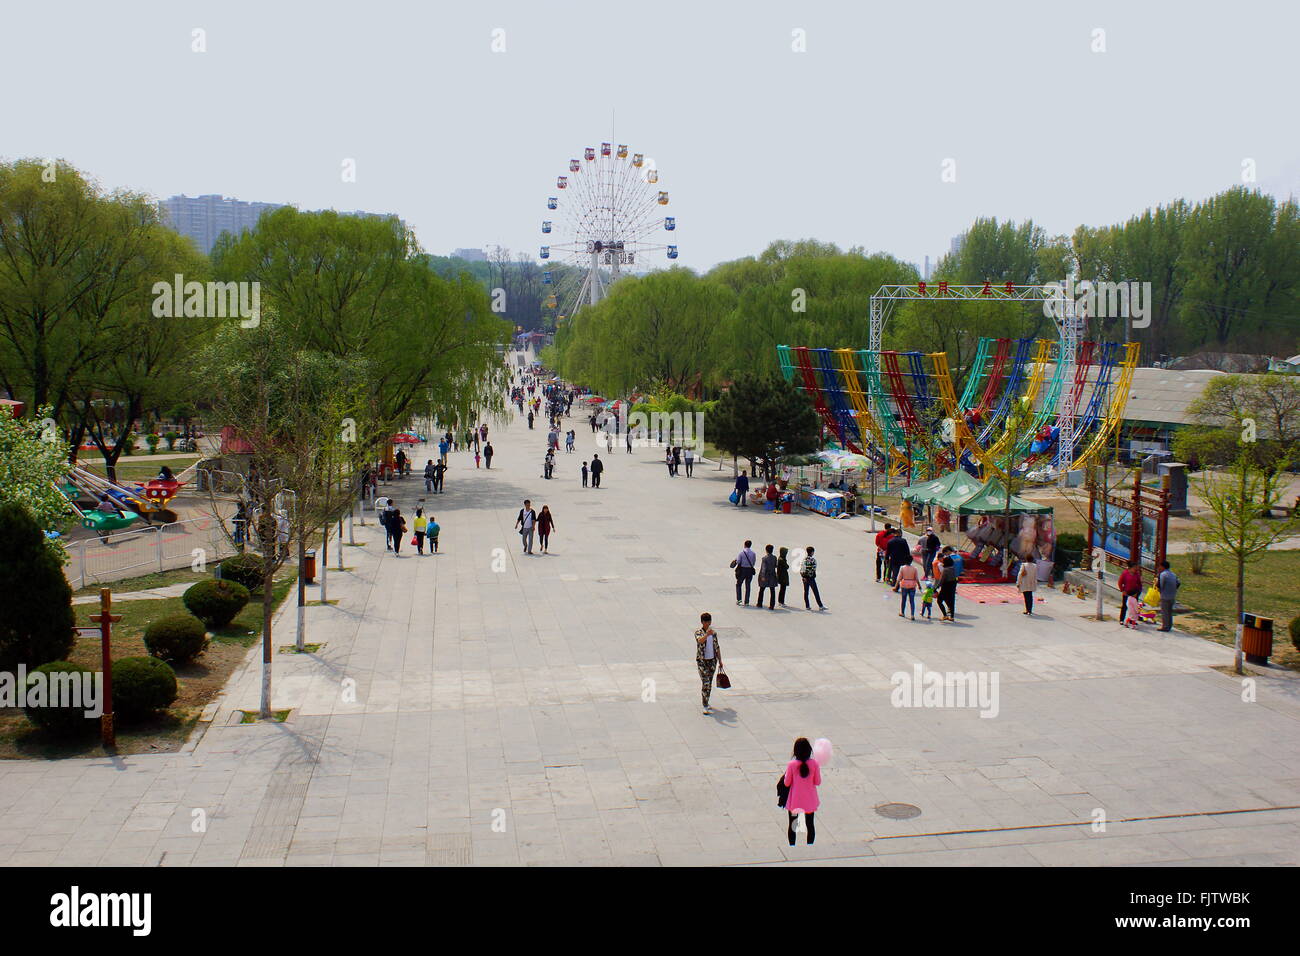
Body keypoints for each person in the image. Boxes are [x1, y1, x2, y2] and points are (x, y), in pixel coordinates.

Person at [783, 737, 821, 847]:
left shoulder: (791, 765)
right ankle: (810, 846)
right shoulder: (814, 764)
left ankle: (792, 847)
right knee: (810, 825)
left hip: (795, 802)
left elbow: (787, 783)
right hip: (809, 801)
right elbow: (817, 782)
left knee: (792, 826)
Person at [694, 612, 723, 716]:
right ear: (702, 622)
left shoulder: (714, 633)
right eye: (705, 621)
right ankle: (705, 704)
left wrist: (720, 660)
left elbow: (717, 647)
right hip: (702, 661)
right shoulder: (699, 632)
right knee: (705, 682)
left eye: (708, 621)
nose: (707, 623)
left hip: (712, 661)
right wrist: (707, 635)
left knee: (709, 683)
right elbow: (700, 641)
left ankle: (706, 699)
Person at [1156, 561, 1180, 631]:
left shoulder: (1163, 574)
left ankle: (1165, 626)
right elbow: (1178, 582)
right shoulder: (1173, 574)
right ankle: (1169, 625)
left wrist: (1160, 590)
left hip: (1165, 596)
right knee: (1169, 611)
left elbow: (1161, 585)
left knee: (1165, 612)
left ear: (1163, 567)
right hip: (1172, 595)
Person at [732, 539, 757, 606]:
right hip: (749, 570)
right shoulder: (753, 553)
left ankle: (739, 599)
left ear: (744, 545)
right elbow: (754, 562)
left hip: (742, 570)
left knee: (739, 584)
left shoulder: (741, 553)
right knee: (748, 585)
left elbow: (738, 561)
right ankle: (747, 601)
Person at [1117, 560, 1142, 625]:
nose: (1136, 568)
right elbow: (1120, 582)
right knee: (1124, 606)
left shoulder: (1137, 574)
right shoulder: (1125, 573)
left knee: (1133, 607)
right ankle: (1122, 619)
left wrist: (1139, 590)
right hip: (1127, 592)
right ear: (1131, 567)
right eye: (1135, 567)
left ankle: (1132, 620)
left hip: (1134, 593)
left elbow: (1139, 583)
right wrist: (1122, 590)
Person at [801, 546, 825, 610]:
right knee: (815, 592)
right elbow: (813, 569)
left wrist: (803, 577)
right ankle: (820, 605)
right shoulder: (813, 560)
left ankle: (807, 606)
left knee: (806, 592)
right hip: (811, 578)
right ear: (812, 552)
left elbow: (802, 569)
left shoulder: (804, 559)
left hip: (805, 578)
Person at [757, 544, 778, 610]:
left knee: (762, 589)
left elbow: (763, 568)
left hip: (766, 575)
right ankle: (772, 605)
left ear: (766, 550)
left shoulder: (764, 558)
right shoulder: (774, 557)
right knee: (772, 590)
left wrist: (762, 576)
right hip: (772, 575)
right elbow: (775, 565)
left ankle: (759, 603)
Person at [937, 556, 958, 621]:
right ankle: (952, 616)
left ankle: (945, 615)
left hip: (945, 587)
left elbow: (941, 580)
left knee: (939, 601)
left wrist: (936, 587)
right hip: (952, 587)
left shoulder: (945, 570)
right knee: (951, 602)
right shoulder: (953, 569)